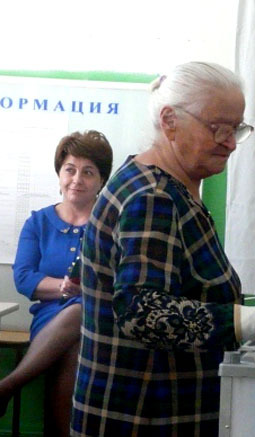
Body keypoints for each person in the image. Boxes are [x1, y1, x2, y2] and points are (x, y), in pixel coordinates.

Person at [70, 62, 255, 436]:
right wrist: (251, 322)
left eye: (236, 129)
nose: (230, 142)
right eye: (218, 128)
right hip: (144, 417)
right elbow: (141, 311)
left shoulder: (153, 183)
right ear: (170, 121)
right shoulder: (154, 198)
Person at [4, 130, 113, 436]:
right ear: (59, 174)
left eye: (88, 172)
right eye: (70, 169)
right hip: (50, 318)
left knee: (81, 316)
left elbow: (120, 279)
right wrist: (62, 287)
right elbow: (23, 277)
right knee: (74, 337)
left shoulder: (111, 224)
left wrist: (87, 291)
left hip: (100, 319)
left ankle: (8, 386)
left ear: (101, 181)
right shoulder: (38, 222)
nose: (77, 179)